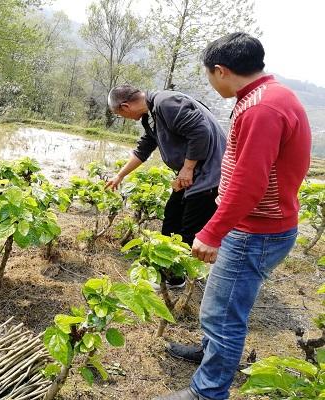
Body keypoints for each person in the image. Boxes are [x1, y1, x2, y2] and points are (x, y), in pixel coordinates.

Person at [155, 33, 311, 400]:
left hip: (256, 230)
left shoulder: (261, 108)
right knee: (217, 301)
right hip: (259, 225)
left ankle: (208, 392)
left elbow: (249, 179)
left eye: (209, 75)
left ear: (221, 71)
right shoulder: (269, 96)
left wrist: (213, 231)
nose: (210, 82)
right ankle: (209, 355)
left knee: (223, 315)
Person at [105, 83, 226, 288]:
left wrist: (187, 168)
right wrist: (119, 176)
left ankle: (179, 277)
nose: (122, 117)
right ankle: (169, 271)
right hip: (192, 175)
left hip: (209, 176)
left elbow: (201, 133)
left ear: (125, 107)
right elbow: (143, 149)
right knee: (172, 217)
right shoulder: (151, 116)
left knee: (189, 228)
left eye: (119, 114)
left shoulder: (166, 103)